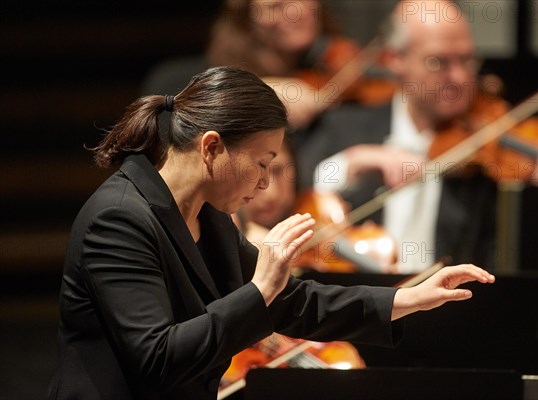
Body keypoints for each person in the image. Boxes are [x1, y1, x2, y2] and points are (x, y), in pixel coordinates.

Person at [47, 66, 495, 400]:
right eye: (262, 163)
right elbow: (158, 358)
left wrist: (405, 298)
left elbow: (291, 302)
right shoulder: (121, 219)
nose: (266, 183)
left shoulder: (210, 216)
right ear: (212, 147)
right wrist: (259, 288)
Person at [299, 0, 538, 273]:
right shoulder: (346, 126)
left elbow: (512, 259)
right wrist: (353, 161)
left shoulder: (489, 156)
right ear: (394, 59)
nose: (460, 78)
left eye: (466, 60)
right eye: (439, 62)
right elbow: (299, 196)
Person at [142, 0, 395, 131]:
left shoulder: (335, 65)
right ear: (247, 19)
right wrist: (260, 91)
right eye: (276, 5)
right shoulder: (176, 77)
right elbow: (170, 114)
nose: (296, 11)